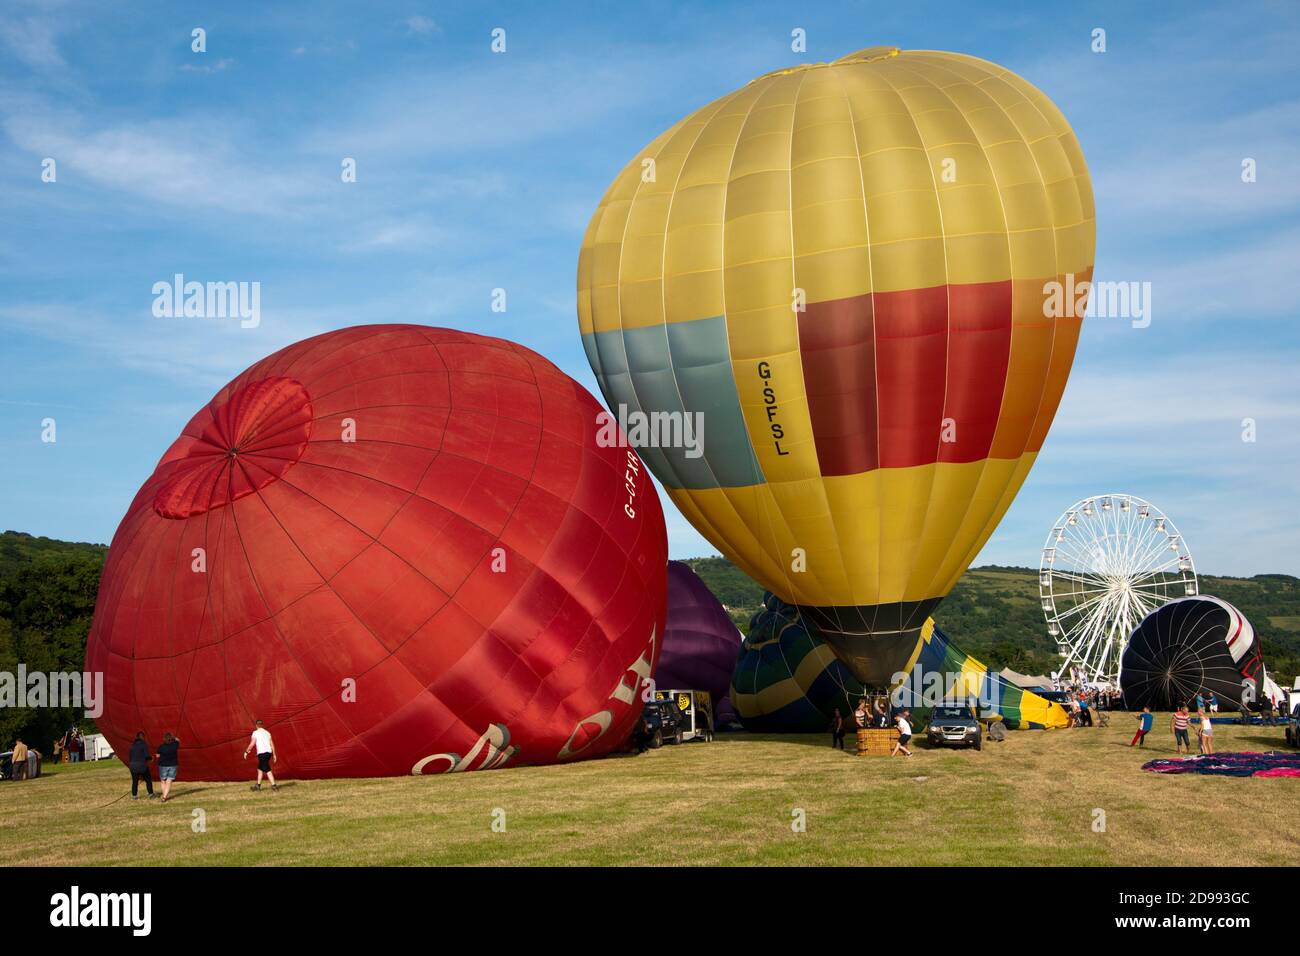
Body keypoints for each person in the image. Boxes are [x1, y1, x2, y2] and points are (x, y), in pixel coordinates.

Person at [243, 719, 278, 791]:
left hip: (262, 753)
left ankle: (274, 786)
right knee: (260, 769)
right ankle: (258, 786)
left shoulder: (255, 733)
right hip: (268, 753)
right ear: (262, 725)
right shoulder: (267, 733)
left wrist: (246, 751)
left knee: (267, 769)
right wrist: (274, 755)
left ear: (256, 725)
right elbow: (272, 744)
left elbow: (252, 743)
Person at [128, 732, 156, 800]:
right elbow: (146, 756)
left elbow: (130, 757)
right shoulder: (144, 745)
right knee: (148, 780)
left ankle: (134, 796)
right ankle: (151, 794)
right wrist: (151, 758)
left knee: (135, 781)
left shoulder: (132, 746)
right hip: (142, 766)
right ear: (143, 737)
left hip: (133, 766)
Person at [156, 732, 180, 802]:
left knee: (163, 781)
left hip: (163, 765)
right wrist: (174, 738)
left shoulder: (161, 747)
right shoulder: (175, 745)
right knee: (169, 781)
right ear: (171, 739)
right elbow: (178, 740)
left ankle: (164, 796)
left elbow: (157, 756)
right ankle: (164, 796)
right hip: (173, 765)